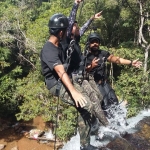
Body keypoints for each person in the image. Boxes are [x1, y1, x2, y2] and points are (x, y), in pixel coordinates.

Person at [40, 13, 107, 150]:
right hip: (56, 84)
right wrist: (74, 92)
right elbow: (60, 71)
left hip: (67, 79)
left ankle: (89, 133)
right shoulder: (49, 49)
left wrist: (87, 16)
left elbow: (74, 27)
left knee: (90, 102)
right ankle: (84, 145)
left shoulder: (60, 43)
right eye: (66, 30)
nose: (69, 32)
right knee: (86, 105)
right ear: (61, 32)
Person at [85, 32, 142, 116]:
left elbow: (116, 59)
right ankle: (109, 124)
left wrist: (131, 63)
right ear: (89, 43)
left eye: (96, 42)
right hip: (95, 84)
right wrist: (91, 66)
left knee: (114, 101)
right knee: (105, 104)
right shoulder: (86, 56)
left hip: (104, 82)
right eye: (92, 42)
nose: (95, 44)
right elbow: (83, 71)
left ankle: (120, 121)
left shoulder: (103, 53)